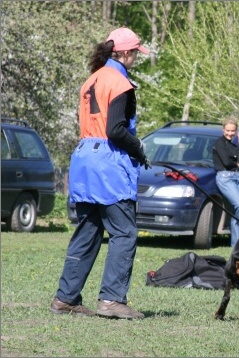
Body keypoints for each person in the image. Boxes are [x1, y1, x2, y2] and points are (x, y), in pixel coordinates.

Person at [50, 28, 150, 319]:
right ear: (126, 53)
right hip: (108, 163)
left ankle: (65, 299)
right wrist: (139, 149)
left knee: (89, 230)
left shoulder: (91, 79)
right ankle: (111, 299)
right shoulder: (119, 82)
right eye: (135, 53)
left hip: (84, 160)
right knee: (125, 232)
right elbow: (116, 130)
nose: (135, 59)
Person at [212, 115, 239, 247]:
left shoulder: (233, 145)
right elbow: (227, 163)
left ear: (236, 131)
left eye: (232, 131)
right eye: (227, 130)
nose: (230, 133)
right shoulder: (219, 143)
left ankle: (237, 244)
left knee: (236, 210)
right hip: (225, 178)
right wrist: (237, 163)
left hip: (238, 178)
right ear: (223, 130)